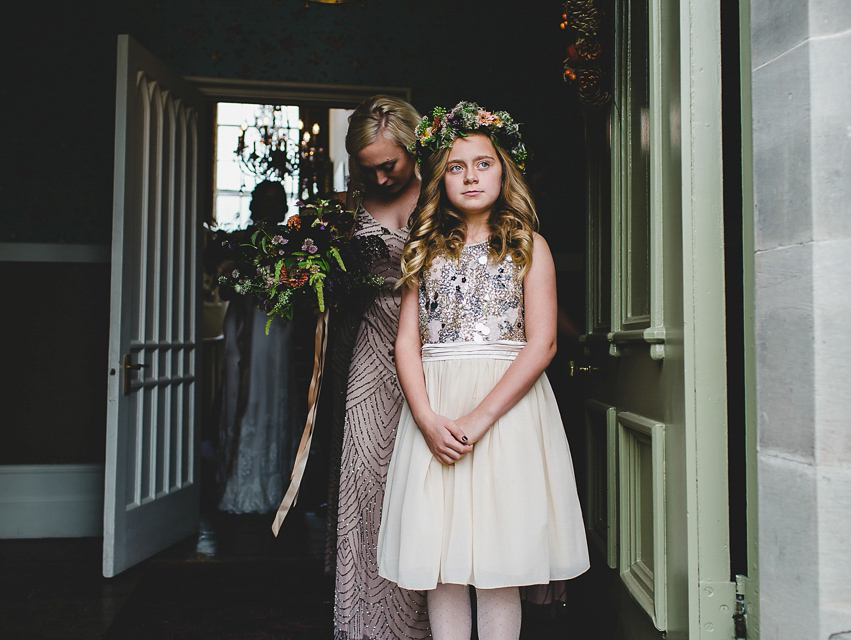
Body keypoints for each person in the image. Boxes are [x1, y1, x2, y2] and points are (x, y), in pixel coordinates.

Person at [377, 101, 590, 640]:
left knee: (500, 562)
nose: (470, 176)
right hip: (438, 409)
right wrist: (427, 418)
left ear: (505, 170)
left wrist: (479, 417)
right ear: (440, 179)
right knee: (444, 563)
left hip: (505, 412)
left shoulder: (528, 246)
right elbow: (406, 342)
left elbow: (541, 344)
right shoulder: (423, 250)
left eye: (483, 163)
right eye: (455, 166)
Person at [327, 95, 430, 640]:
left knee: (424, 487)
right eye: (368, 169)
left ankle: (427, 624)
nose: (380, 177)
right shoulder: (346, 210)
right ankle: (366, 622)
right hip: (371, 350)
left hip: (438, 352)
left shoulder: (446, 197)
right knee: (368, 482)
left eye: (389, 164)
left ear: (414, 149)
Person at [216, 180, 303, 514]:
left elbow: (301, 290)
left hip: (275, 326)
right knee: (241, 393)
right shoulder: (238, 241)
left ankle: (275, 480)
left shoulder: (294, 245)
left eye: (275, 201)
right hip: (242, 324)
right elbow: (223, 290)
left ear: (283, 206)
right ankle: (237, 478)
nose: (269, 207)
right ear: (253, 205)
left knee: (271, 391)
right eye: (263, 201)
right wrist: (240, 278)